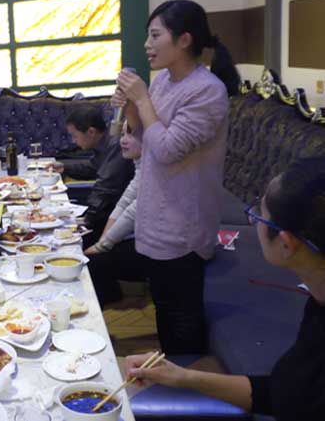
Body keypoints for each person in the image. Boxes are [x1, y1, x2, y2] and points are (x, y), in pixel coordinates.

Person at [125, 158, 325, 421]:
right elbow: (282, 393)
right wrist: (183, 376)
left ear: (286, 244)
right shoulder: (318, 301)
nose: (256, 223)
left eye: (258, 216)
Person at [105, 0, 240, 354]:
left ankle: (188, 376)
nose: (147, 45)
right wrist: (131, 107)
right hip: (156, 213)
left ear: (184, 40)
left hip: (184, 224)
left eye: (155, 35)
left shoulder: (206, 91)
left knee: (182, 318)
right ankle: (171, 370)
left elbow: (166, 150)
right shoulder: (164, 80)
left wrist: (142, 99)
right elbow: (143, 140)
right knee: (164, 306)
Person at [84, 121, 144, 306]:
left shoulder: (155, 171)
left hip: (165, 248)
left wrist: (102, 245)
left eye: (131, 135)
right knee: (86, 240)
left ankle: (106, 304)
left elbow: (133, 211)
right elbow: (124, 203)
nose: (123, 141)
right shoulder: (140, 166)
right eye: (122, 134)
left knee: (92, 261)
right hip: (144, 235)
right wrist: (103, 240)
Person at [54, 106, 134, 245]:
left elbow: (106, 188)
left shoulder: (115, 145)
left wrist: (86, 220)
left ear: (91, 132)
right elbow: (93, 167)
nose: (73, 141)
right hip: (108, 211)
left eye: (75, 136)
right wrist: (64, 167)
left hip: (115, 217)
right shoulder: (105, 142)